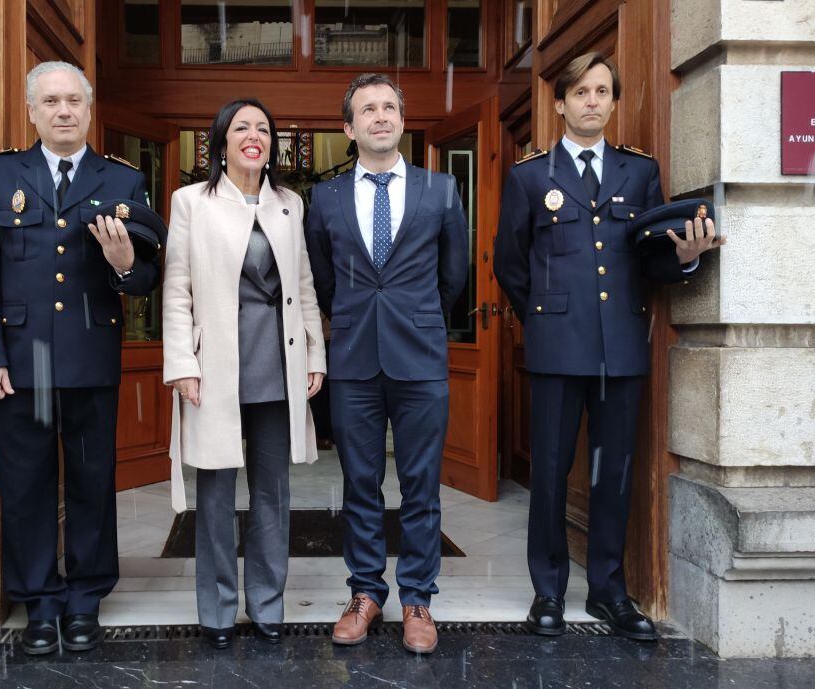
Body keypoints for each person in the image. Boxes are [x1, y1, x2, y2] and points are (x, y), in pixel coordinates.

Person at [493, 52, 724, 641]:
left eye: (602, 91)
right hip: (554, 350)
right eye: (581, 92)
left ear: (613, 102)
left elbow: (650, 257)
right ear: (561, 103)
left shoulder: (638, 173)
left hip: (620, 347)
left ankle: (608, 592)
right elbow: (511, 263)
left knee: (613, 474)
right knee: (548, 473)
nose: (592, 101)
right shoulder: (529, 175)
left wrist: (686, 260)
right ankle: (548, 590)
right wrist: (544, 324)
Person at [0, 61, 159, 655]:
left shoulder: (121, 180)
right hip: (21, 361)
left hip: (87, 356)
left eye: (73, 100)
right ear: (31, 111)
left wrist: (125, 263)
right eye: (51, 101)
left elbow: (149, 275)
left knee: (92, 480)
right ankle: (40, 601)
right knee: (25, 483)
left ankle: (85, 599)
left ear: (90, 108)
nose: (64, 110)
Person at [305, 73, 469, 655]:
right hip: (353, 361)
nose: (380, 116)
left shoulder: (442, 189)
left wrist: (418, 317)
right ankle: (365, 592)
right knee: (361, 485)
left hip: (421, 358)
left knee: (422, 485)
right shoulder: (322, 199)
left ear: (402, 120)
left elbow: (454, 275)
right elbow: (324, 279)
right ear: (349, 127)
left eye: (390, 107)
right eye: (367, 109)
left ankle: (418, 597)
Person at [162, 99, 327, 649]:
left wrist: (315, 355)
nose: (253, 136)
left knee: (273, 496)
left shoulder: (289, 204)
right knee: (213, 496)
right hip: (214, 371)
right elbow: (177, 290)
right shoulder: (191, 202)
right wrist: (182, 364)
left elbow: (302, 286)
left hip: (277, 367)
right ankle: (216, 610)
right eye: (241, 128)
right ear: (222, 141)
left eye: (263, 128)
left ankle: (267, 604)